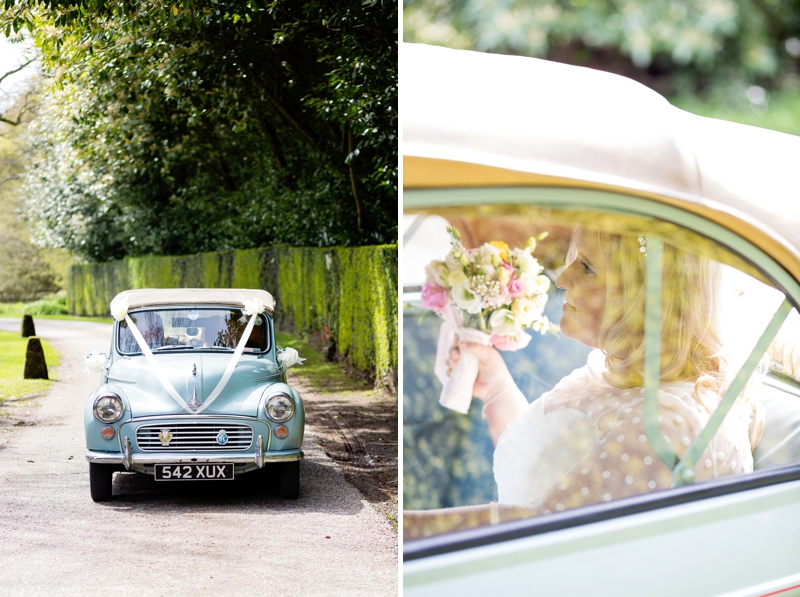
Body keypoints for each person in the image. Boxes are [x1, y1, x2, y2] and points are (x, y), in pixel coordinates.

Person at [404, 229, 762, 539]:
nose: (562, 279)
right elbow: (546, 471)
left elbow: (536, 533)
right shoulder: (611, 374)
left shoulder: (667, 424)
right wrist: (497, 387)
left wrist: (403, 532)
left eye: (587, 267)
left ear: (649, 298)